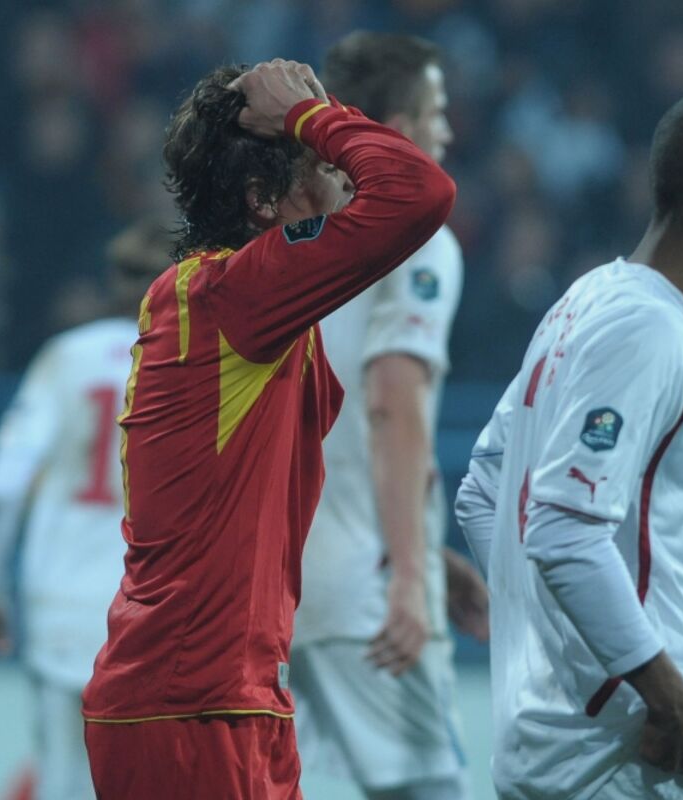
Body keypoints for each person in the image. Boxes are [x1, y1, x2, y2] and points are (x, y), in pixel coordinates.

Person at [80, 59, 455, 799]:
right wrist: (310, 117)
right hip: (193, 701)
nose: (342, 180)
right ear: (262, 201)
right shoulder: (233, 297)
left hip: (225, 693)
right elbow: (420, 192)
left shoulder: (240, 309)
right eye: (320, 168)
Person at [455, 89, 683, 799]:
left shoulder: (583, 300)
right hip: (620, 755)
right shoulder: (648, 330)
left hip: (572, 743)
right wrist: (663, 695)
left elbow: (484, 490)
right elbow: (561, 530)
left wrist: (557, 653)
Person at [290, 32, 486, 800]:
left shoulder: (294, 239)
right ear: (399, 129)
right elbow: (391, 401)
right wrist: (409, 573)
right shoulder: (419, 238)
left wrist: (429, 554)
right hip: (366, 587)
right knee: (431, 789)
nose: (448, 131)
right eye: (437, 112)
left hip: (286, 581)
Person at [0, 219, 173, 800]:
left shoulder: (67, 357)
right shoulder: (198, 359)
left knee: (61, 779)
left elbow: (2, 488)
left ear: (113, 280)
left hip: (61, 602)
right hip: (156, 606)